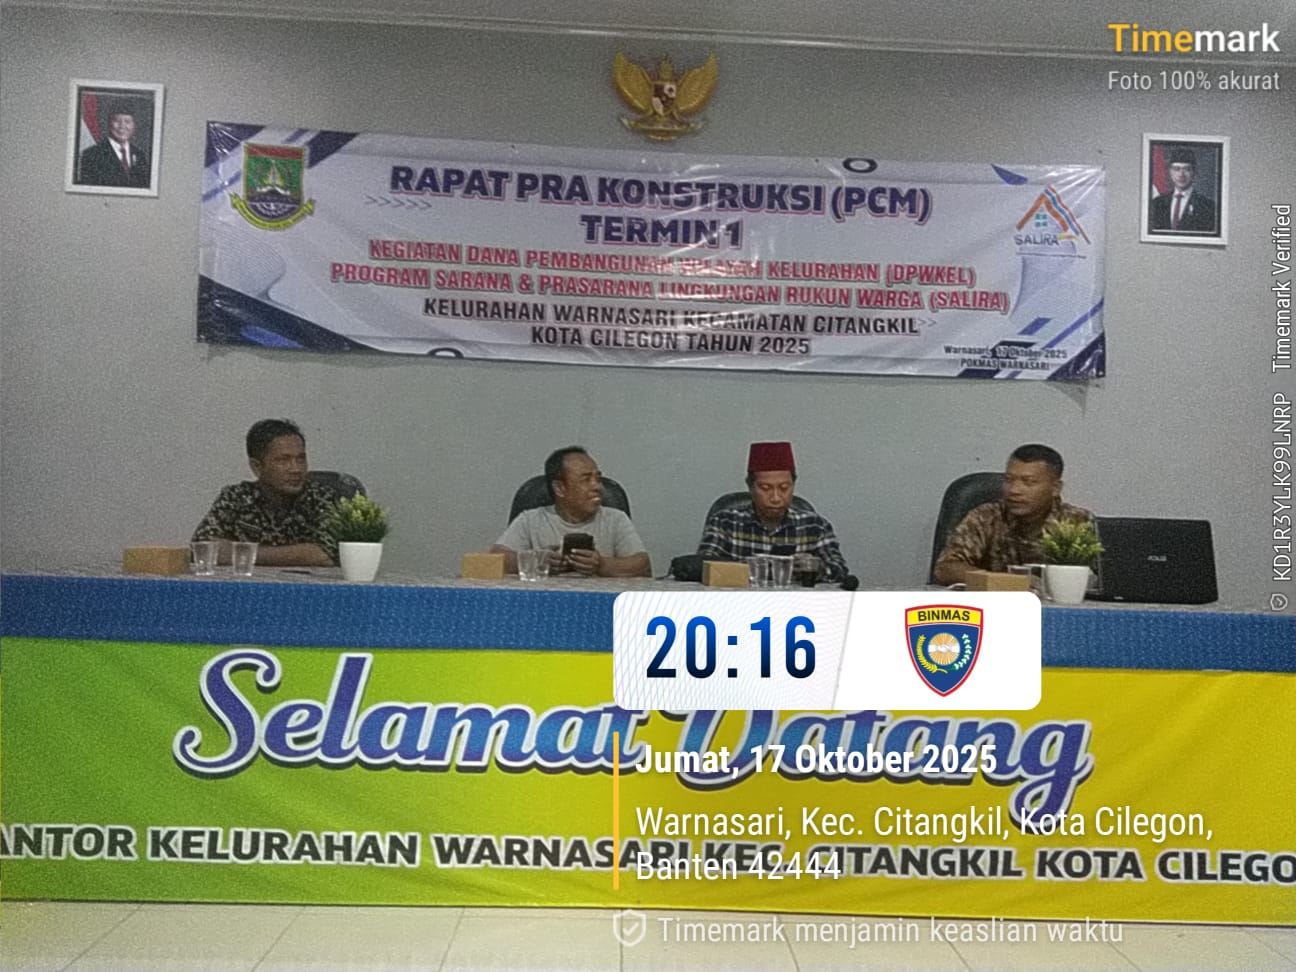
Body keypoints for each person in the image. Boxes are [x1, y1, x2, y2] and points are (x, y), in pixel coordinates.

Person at [934, 443, 1092, 585]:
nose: (1014, 490)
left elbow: (1100, 580)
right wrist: (1007, 582)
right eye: (1008, 480)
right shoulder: (986, 516)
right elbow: (946, 568)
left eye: (1028, 482)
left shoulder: (1077, 522)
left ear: (1056, 488)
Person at [193, 419, 340, 567]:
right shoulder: (236, 497)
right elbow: (202, 547)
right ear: (257, 467)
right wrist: (297, 554)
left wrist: (244, 554)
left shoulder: (320, 497)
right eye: (283, 461)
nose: (296, 469)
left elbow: (325, 553)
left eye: (301, 459)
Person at [696, 441, 848, 582]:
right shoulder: (725, 522)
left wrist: (818, 568)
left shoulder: (815, 526)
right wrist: (749, 568)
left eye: (784, 488)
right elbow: (702, 568)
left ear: (793, 485)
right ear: (750, 486)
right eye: (765, 488)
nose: (775, 498)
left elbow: (840, 570)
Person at [492, 446, 650, 577]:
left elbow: (642, 564)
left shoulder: (616, 519)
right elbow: (496, 558)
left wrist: (601, 565)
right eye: (586, 479)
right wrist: (539, 560)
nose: (597, 486)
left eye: (598, 478)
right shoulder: (530, 520)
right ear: (559, 488)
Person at [78, 104, 151, 188]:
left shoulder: (140, 155)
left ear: (134, 125)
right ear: (109, 123)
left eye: (127, 121)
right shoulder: (92, 154)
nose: (122, 126)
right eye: (117, 121)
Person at [1149, 147, 1217, 233]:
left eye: (1187, 169)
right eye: (1176, 169)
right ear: (1170, 172)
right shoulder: (1157, 203)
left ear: (1194, 172)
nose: (1181, 174)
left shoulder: (1207, 206)